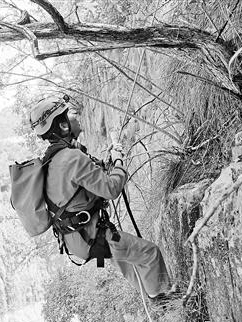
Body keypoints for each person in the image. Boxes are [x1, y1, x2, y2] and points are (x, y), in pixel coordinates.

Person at [29, 94, 175, 302]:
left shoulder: (54, 159)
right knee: (149, 253)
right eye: (68, 116)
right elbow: (111, 189)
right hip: (92, 236)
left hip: (79, 238)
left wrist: (106, 164)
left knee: (129, 261)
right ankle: (166, 302)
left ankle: (153, 300)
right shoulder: (71, 158)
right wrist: (118, 163)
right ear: (61, 125)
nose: (73, 119)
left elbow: (86, 182)